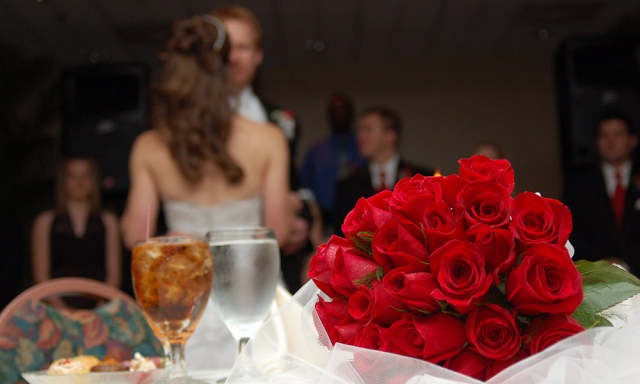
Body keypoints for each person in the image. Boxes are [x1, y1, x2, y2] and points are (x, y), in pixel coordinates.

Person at [119, 14, 293, 369]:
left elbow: (135, 235)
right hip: (250, 297)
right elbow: (282, 231)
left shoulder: (149, 146)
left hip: (181, 302)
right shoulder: (268, 140)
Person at [210, 5, 316, 293]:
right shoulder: (182, 124)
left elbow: (292, 185)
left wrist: (301, 217)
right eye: (226, 48)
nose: (233, 57)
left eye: (243, 47)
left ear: (258, 55)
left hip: (267, 263)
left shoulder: (280, 120)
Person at [31, 155, 122, 308]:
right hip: (55, 307)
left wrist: (97, 312)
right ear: (62, 181)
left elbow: (114, 276)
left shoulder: (109, 221)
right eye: (72, 176)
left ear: (94, 181)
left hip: (101, 307)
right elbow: (41, 277)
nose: (79, 182)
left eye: (85, 175)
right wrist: (65, 312)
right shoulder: (44, 222)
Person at [333, 107, 434, 234]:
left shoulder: (421, 178)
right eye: (359, 130)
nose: (360, 136)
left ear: (390, 136)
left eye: (367, 129)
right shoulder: (347, 186)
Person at [562, 111, 640, 275]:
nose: (611, 141)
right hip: (596, 278)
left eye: (617, 134)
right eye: (604, 136)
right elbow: (570, 233)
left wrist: (627, 264)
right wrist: (601, 265)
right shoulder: (578, 184)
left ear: (632, 140)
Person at [300, 92, 366, 234]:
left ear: (352, 113)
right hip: (326, 221)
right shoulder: (315, 152)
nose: (339, 115)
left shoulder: (365, 146)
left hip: (363, 217)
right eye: (334, 111)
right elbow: (306, 191)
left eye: (343, 110)